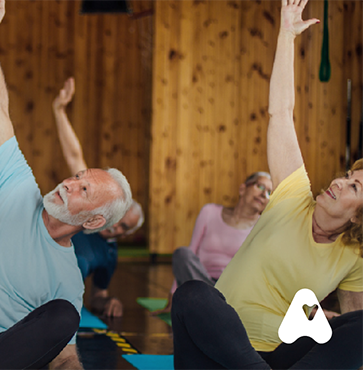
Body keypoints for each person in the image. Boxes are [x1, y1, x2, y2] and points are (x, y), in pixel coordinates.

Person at [0, 1, 132, 369]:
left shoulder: (67, 280)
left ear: (94, 222)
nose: (69, 183)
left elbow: (63, 357)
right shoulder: (15, 187)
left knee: (64, 315)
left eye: (83, 190)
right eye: (77, 177)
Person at [172, 1, 363, 369]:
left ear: (358, 219)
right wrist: (285, 36)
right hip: (218, 350)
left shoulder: (354, 258)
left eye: (354, 188)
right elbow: (281, 112)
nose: (340, 181)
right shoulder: (293, 195)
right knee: (194, 294)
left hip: (281, 354)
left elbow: (350, 331)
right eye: (347, 176)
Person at [52, 76, 144, 317]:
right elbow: (74, 156)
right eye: (120, 219)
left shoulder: (109, 254)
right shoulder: (84, 210)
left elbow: (98, 295)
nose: (118, 228)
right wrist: (59, 110)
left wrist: (109, 302)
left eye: (125, 227)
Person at [151, 171, 272, 315]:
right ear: (242, 189)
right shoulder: (209, 212)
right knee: (182, 253)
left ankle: (214, 303)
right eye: (261, 187)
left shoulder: (262, 228)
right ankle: (213, 303)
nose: (264, 195)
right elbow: (191, 252)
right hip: (200, 282)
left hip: (232, 289)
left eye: (270, 193)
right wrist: (172, 297)